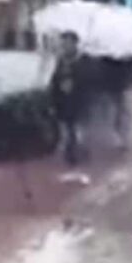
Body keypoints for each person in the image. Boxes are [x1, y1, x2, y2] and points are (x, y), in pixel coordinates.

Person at [51, 31, 89, 167]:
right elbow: (54, 80)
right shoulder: (61, 61)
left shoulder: (83, 60)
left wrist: (75, 82)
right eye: (64, 43)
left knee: (77, 130)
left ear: (75, 44)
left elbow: (89, 80)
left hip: (78, 101)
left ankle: (78, 153)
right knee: (66, 130)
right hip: (63, 101)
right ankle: (69, 154)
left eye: (68, 43)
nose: (65, 46)